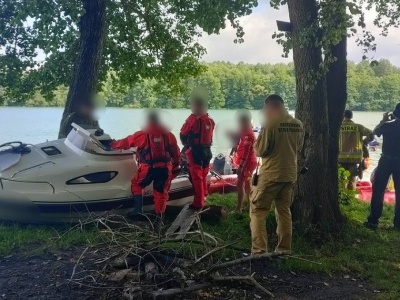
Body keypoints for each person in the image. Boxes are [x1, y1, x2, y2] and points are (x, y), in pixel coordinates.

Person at [250, 95, 304, 255]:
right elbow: (298, 147)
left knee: (258, 211)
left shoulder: (271, 123)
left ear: (270, 107)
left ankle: (259, 251)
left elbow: (260, 150)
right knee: (284, 211)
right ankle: (283, 250)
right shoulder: (298, 124)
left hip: (271, 174)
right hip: (289, 174)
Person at [111, 110, 180, 220]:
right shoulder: (169, 134)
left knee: (137, 185)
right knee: (161, 192)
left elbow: (126, 142)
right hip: (165, 168)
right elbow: (176, 153)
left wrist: (112, 144)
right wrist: (176, 164)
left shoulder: (142, 135)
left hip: (148, 168)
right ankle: (159, 217)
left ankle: (138, 211)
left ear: (148, 121)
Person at [365, 103, 400, 230]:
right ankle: (398, 223)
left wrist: (383, 120)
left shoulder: (386, 126)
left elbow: (373, 134)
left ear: (394, 114)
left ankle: (373, 220)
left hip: (385, 160)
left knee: (378, 190)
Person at [180, 97, 215, 210]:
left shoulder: (193, 119)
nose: (191, 107)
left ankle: (198, 203)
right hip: (207, 151)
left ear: (197, 106)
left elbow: (183, 134)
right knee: (203, 175)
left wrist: (186, 145)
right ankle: (204, 195)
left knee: (196, 178)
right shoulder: (210, 120)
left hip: (196, 151)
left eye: (193, 105)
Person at [338, 110, 374, 190]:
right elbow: (371, 134)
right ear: (351, 117)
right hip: (354, 158)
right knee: (352, 179)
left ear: (343, 116)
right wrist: (364, 142)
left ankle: (341, 197)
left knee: (340, 179)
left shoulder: (338, 127)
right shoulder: (358, 127)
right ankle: (350, 197)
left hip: (340, 158)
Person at [232, 110, 257, 213]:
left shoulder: (248, 134)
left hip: (248, 162)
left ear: (245, 122)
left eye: (240, 122)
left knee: (240, 184)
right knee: (247, 184)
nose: (239, 124)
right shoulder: (244, 131)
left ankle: (238, 208)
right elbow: (238, 139)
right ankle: (249, 206)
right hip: (247, 162)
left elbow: (246, 152)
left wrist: (241, 166)